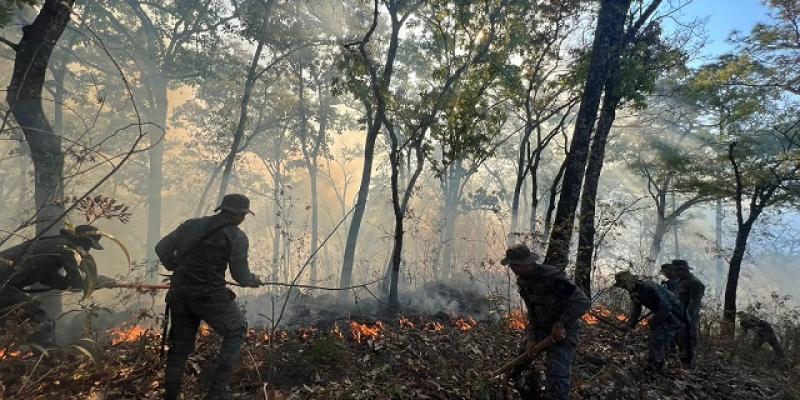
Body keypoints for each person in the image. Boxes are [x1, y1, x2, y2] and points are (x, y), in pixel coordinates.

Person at [156, 193, 262, 400]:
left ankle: (171, 396)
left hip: (180, 294)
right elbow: (240, 276)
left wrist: (173, 266)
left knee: (179, 349)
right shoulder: (237, 237)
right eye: (244, 215)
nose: (243, 219)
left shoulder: (190, 225)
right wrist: (253, 280)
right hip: (210, 296)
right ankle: (216, 393)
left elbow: (161, 248)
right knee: (236, 330)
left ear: (222, 209)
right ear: (239, 214)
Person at [501, 244, 590, 400]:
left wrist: (561, 324)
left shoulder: (552, 278)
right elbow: (532, 313)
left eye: (514, 265)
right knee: (522, 359)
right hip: (542, 329)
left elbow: (582, 301)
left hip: (565, 331)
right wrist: (531, 338)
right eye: (511, 265)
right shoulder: (523, 282)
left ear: (525, 264)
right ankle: (511, 385)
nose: (512, 268)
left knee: (557, 376)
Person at [0, 225, 107, 344]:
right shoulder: (66, 248)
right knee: (40, 322)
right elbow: (77, 281)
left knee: (10, 322)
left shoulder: (54, 245)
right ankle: (48, 354)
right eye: (88, 245)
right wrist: (99, 281)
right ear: (81, 240)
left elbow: (49, 278)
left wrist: (73, 283)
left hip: (5, 286)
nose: (87, 250)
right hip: (3, 286)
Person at [614, 270, 686, 371]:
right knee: (657, 339)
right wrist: (629, 326)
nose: (623, 287)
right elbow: (636, 310)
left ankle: (656, 366)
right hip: (665, 314)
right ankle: (660, 364)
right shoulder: (634, 291)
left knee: (658, 338)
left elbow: (666, 306)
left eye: (623, 285)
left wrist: (654, 321)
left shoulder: (648, 287)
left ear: (629, 281)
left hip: (675, 315)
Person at [672, 259, 705, 367]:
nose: (675, 273)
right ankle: (681, 363)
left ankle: (689, 365)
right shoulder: (680, 281)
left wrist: (687, 318)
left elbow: (694, 304)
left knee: (688, 341)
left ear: (683, 270)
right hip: (678, 316)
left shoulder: (695, 283)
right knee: (678, 339)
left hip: (688, 318)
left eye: (676, 270)